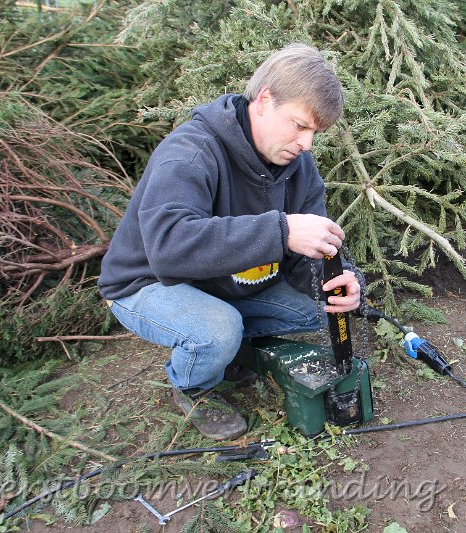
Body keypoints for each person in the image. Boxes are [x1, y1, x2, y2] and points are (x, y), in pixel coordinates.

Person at [98, 43, 361, 441]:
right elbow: (169, 248)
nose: (307, 144)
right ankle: (193, 387)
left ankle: (230, 343)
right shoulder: (190, 152)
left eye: (315, 133)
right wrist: (282, 231)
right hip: (148, 283)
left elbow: (308, 254)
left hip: (225, 282)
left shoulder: (297, 164)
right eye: (300, 125)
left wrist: (340, 280)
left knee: (321, 310)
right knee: (217, 330)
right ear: (265, 100)